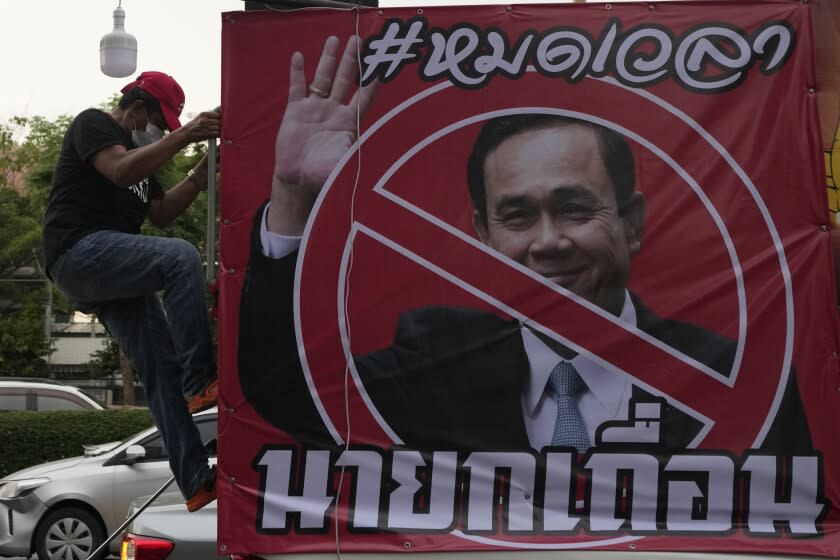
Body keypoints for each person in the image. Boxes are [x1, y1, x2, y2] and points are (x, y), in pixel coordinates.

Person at [237, 37, 812, 454]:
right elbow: (288, 397)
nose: (548, 242)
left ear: (632, 222)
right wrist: (292, 194)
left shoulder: (735, 380)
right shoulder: (435, 362)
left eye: (574, 208)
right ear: (483, 237)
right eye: (516, 217)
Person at [42, 71, 220, 511]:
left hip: (112, 269)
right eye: (160, 122)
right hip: (78, 251)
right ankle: (202, 379)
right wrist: (190, 133)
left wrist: (200, 175)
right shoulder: (95, 125)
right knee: (179, 257)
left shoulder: (142, 155)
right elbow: (119, 171)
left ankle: (196, 479)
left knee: (161, 368)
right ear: (136, 108)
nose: (160, 133)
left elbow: (159, 213)